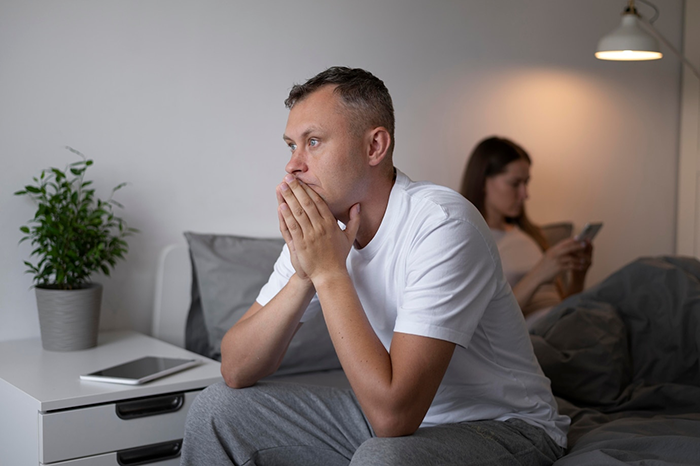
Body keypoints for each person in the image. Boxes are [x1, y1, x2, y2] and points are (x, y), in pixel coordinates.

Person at [180, 67, 568, 466]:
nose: (292, 165)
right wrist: (304, 276)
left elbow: (393, 416)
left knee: (384, 458)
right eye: (290, 146)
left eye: (313, 141)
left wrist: (330, 273)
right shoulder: (321, 232)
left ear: (374, 147)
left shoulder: (443, 225)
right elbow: (236, 368)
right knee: (218, 409)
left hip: (504, 425)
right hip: (387, 416)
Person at [460, 136, 593, 327]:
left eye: (526, 183)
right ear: (483, 182)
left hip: (565, 327)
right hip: (536, 337)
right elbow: (485, 324)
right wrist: (540, 273)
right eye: (515, 184)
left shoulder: (532, 234)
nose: (525, 194)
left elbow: (566, 306)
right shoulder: (470, 240)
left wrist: (579, 274)